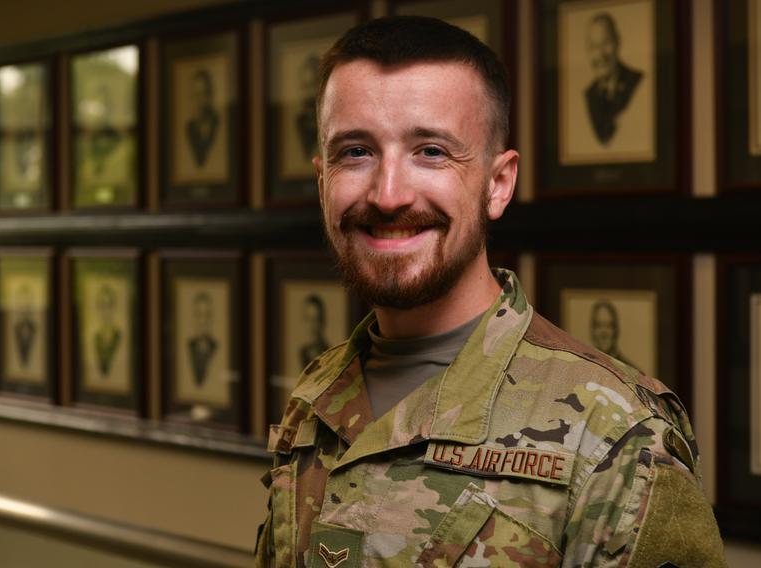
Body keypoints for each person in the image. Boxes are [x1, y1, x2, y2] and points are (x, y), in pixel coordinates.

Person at [255, 16, 725, 567]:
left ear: (498, 184)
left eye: (430, 151)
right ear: (321, 182)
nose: (387, 195)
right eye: (355, 151)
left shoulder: (616, 438)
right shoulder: (316, 395)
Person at [583, 12, 643, 145]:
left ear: (617, 42)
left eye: (606, 43)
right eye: (594, 47)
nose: (600, 54)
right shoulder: (588, 95)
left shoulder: (638, 82)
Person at [590, 299, 639, 370]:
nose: (603, 332)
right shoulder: (585, 368)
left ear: (616, 330)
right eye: (598, 325)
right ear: (592, 330)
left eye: (609, 325)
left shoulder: (631, 371)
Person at [185, 68, 220, 168]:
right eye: (197, 95)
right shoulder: (189, 128)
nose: (200, 100)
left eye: (204, 93)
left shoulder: (218, 124)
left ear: (210, 95)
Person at [299, 294, 330, 368]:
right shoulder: (302, 353)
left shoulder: (330, 354)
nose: (311, 326)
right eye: (308, 319)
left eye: (316, 320)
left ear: (323, 322)